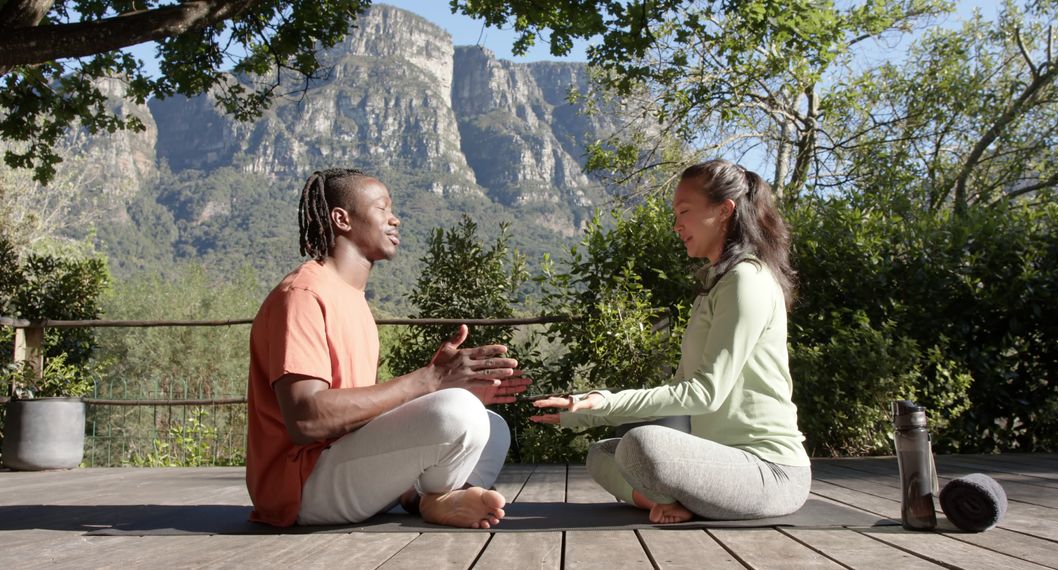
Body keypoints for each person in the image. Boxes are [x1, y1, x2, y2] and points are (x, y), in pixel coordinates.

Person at [246, 168, 530, 528]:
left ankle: (427, 498)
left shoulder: (353, 300)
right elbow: (307, 419)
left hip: (341, 465)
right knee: (459, 413)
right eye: (382, 208)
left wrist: (442, 386)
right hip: (300, 486)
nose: (395, 219)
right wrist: (428, 382)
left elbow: (358, 412)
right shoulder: (303, 295)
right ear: (341, 219)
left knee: (490, 424)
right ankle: (435, 496)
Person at [531, 159, 811, 524]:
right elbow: (681, 391)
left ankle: (680, 499)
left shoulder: (747, 281)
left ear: (724, 212)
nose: (676, 224)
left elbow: (705, 393)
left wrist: (606, 401)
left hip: (770, 472)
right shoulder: (716, 283)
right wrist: (585, 412)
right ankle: (667, 503)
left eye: (684, 211)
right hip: (717, 461)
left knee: (641, 446)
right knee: (602, 454)